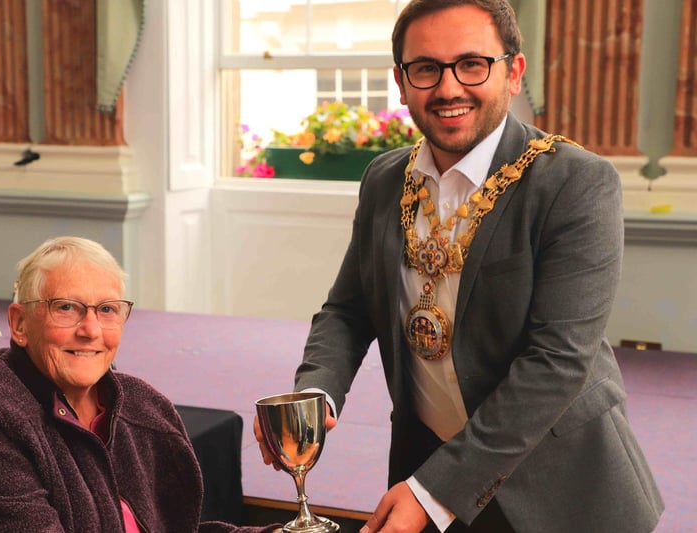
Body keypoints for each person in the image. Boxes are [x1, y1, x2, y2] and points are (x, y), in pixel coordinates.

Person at [254, 1, 664, 532]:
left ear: (513, 72)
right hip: (425, 470)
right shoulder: (384, 177)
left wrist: (434, 490)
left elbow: (557, 361)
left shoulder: (575, 182)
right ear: (401, 84)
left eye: (472, 64)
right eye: (426, 68)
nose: (449, 88)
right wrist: (316, 392)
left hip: (560, 490)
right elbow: (348, 311)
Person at [0, 236, 281, 533]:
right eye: (66, 307)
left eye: (107, 310)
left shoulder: (144, 406)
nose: (90, 330)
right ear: (19, 324)